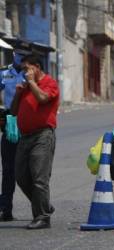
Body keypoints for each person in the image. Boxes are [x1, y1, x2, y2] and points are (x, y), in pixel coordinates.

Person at [10, 55, 59, 229]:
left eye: (27, 68)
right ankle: (43, 205)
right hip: (25, 136)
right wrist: (18, 93)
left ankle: (42, 217)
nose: (24, 72)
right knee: (21, 177)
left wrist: (31, 83)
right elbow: (14, 111)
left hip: (42, 136)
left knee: (39, 178)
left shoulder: (49, 83)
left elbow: (43, 99)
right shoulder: (26, 87)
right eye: (23, 69)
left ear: (37, 67)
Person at [0, 49, 28, 221]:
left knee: (30, 170)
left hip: (27, 123)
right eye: (18, 55)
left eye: (23, 56)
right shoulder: (4, 72)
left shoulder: (31, 73)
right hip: (10, 122)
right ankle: (6, 209)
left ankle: (40, 208)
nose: (20, 59)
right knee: (8, 169)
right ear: (14, 54)